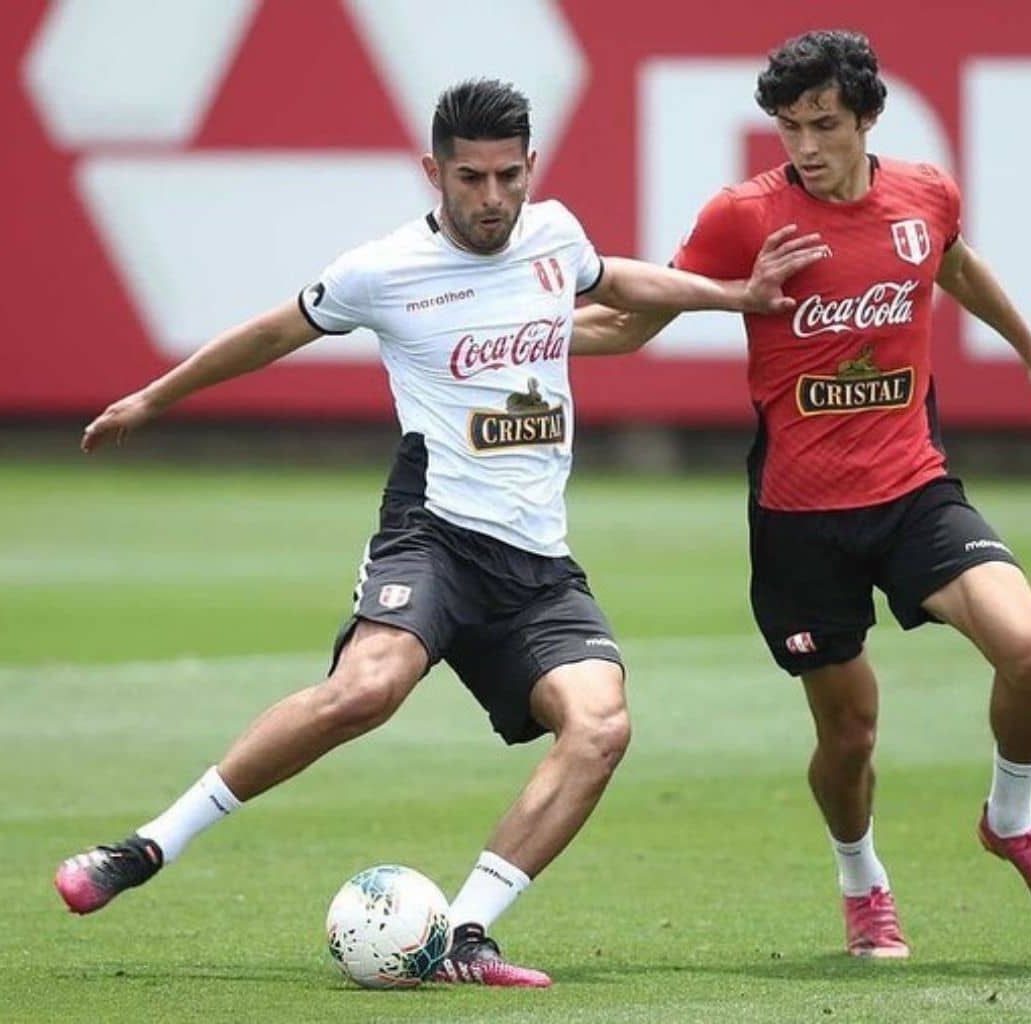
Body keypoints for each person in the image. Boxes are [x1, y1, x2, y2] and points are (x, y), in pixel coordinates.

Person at [53, 78, 824, 986]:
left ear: (530, 165)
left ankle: (464, 933)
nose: (493, 198)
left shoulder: (554, 235)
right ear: (434, 173)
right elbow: (270, 334)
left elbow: (616, 281)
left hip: (537, 563)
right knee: (366, 690)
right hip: (435, 536)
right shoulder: (382, 270)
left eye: (508, 176)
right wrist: (152, 398)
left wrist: (738, 296)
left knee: (601, 726)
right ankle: (148, 845)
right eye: (470, 179)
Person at [572, 31, 1031, 959]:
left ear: (868, 118)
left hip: (914, 491)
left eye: (825, 124)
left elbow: (955, 264)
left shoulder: (925, 194)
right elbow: (631, 323)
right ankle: (863, 882)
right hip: (801, 522)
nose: (806, 146)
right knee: (850, 739)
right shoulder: (743, 216)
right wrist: (508, 333)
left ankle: (1011, 820)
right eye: (790, 127)